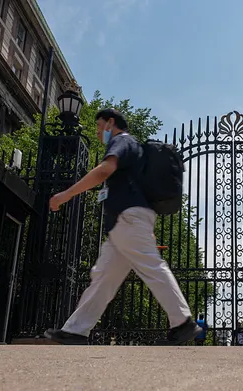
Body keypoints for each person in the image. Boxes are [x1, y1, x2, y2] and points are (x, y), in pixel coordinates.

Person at [44, 109, 201, 345]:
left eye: (99, 126)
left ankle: (183, 322)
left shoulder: (122, 141)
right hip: (125, 222)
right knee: (103, 277)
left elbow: (104, 170)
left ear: (111, 123)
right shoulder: (135, 150)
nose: (98, 132)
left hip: (128, 219)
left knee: (152, 267)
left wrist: (65, 195)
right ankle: (76, 330)